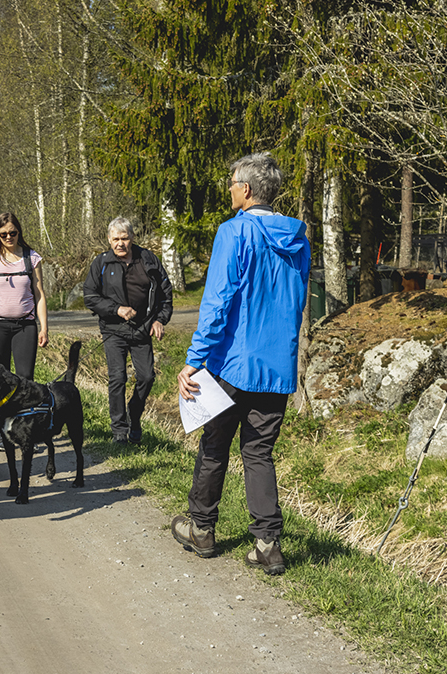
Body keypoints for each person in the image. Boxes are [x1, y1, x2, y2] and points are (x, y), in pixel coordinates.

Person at [171, 152, 311, 576]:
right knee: (259, 453)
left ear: (246, 190)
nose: (229, 189)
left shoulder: (233, 233)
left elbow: (217, 301)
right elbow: (298, 299)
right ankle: (268, 545)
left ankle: (202, 529)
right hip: (276, 365)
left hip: (230, 362)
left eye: (232, 183)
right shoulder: (299, 238)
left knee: (214, 447)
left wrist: (195, 359)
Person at [83, 217, 173, 445]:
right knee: (118, 378)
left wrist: (159, 320)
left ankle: (134, 414)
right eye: (116, 239)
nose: (120, 244)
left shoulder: (148, 259)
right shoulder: (101, 263)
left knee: (147, 376)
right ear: (108, 239)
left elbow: (165, 293)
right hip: (113, 330)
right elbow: (90, 297)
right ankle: (119, 431)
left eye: (124, 238)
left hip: (142, 330)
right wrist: (116, 309)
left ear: (132, 238)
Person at [0, 212, 49, 451]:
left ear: (19, 232)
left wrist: (44, 327)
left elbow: (40, 295)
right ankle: (5, 435)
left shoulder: (32, 258)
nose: (8, 237)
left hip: (25, 326)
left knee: (25, 380)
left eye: (13, 233)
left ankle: (27, 434)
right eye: (3, 234)